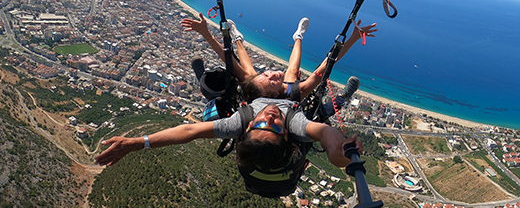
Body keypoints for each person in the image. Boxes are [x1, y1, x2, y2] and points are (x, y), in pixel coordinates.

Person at [94, 97, 363, 173]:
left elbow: (189, 131)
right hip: (292, 97)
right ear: (286, 137)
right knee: (319, 109)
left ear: (247, 130)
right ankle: (340, 99)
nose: (270, 116)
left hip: (260, 91)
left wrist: (138, 143)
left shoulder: (238, 122)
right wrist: (340, 154)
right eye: (275, 126)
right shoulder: (296, 126)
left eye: (260, 125)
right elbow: (325, 133)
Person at [182, 13, 376, 103]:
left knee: (248, 73)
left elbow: (228, 60)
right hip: (288, 103)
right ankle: (298, 37)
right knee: (291, 72)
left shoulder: (258, 87)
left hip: (257, 91)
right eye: (275, 82)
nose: (275, 74)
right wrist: (351, 39)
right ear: (276, 94)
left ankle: (238, 38)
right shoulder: (293, 93)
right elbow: (327, 66)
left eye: (267, 75)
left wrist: (207, 34)